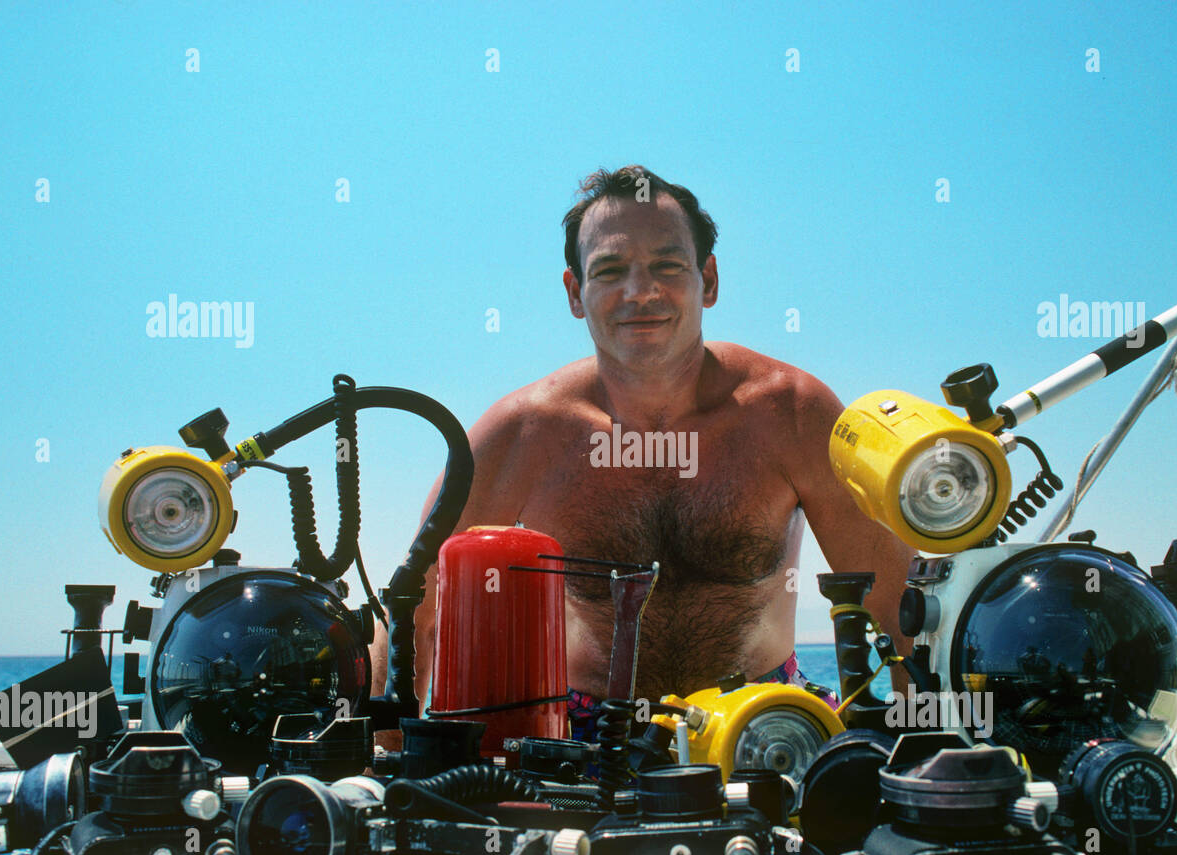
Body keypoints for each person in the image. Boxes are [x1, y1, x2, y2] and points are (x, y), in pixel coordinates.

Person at [372, 165, 912, 735]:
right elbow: (417, 611)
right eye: (610, 270)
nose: (641, 291)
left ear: (708, 279)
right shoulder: (524, 434)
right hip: (582, 736)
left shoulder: (793, 414)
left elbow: (902, 610)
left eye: (667, 265)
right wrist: (373, 766)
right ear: (576, 293)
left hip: (762, 728)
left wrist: (930, 769)